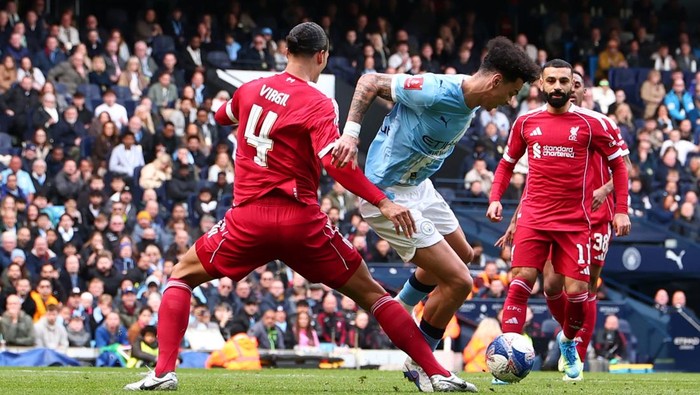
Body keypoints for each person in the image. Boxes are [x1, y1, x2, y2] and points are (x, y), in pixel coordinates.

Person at [124, 22, 475, 392]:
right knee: (373, 295)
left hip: (247, 220)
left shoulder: (249, 90)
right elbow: (336, 164)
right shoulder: (319, 102)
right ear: (322, 56)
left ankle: (163, 372)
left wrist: (243, 116)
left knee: (181, 275)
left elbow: (219, 116)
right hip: (302, 223)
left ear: (285, 51)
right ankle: (436, 373)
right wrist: (383, 202)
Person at [331, 35, 540, 391]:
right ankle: (422, 362)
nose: (509, 101)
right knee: (460, 281)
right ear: (495, 81)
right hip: (387, 193)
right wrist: (351, 136)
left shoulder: (471, 100)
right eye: (510, 92)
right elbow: (369, 81)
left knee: (464, 255)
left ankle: (401, 305)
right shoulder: (435, 89)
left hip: (419, 187)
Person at [487, 59, 631, 381]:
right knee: (522, 281)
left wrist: (620, 207)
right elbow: (507, 163)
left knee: (579, 292)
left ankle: (568, 342)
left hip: (576, 222)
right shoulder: (525, 123)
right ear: (540, 83)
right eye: (550, 80)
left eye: (562, 81)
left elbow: (620, 165)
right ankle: (507, 358)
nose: (556, 87)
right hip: (534, 218)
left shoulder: (594, 124)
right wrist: (496, 197)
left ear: (572, 86)